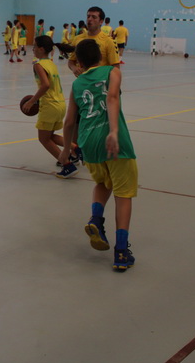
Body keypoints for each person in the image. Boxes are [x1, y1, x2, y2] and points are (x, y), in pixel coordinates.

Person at [58, 39, 138, 272]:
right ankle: (121, 251)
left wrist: (65, 150)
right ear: (101, 57)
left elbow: (69, 121)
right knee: (123, 194)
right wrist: (113, 131)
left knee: (103, 183)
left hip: (88, 144)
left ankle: (96, 219)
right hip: (113, 142)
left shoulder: (77, 84)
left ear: (80, 63)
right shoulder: (113, 72)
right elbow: (112, 98)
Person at [21, 36, 67, 164]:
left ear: (41, 49)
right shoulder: (51, 64)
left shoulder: (38, 65)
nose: (33, 49)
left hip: (49, 105)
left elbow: (45, 85)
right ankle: (76, 150)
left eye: (34, 46)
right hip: (61, 104)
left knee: (44, 139)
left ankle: (66, 164)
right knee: (49, 136)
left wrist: (31, 101)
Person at [62, 6, 120, 76]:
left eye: (94, 17)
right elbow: (71, 61)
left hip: (100, 81)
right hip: (82, 80)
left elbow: (116, 67)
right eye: (88, 16)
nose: (89, 19)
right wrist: (74, 68)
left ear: (101, 21)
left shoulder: (109, 41)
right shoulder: (77, 39)